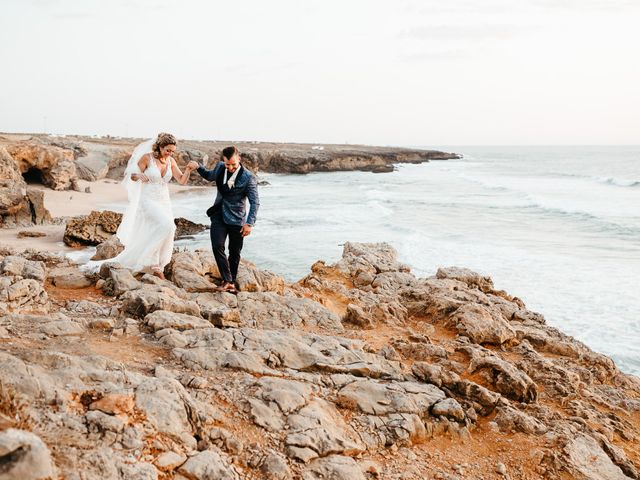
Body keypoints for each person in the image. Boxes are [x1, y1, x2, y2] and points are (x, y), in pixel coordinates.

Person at [89, 133, 195, 279]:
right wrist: (139, 176)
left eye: (172, 151)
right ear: (160, 146)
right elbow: (132, 175)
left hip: (164, 201)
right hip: (148, 199)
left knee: (169, 229)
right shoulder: (147, 158)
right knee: (166, 226)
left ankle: (157, 264)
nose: (170, 153)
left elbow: (182, 181)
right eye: (167, 150)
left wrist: (188, 170)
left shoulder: (171, 161)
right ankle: (152, 264)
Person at [188, 146, 259, 292]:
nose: (231, 167)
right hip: (218, 214)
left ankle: (231, 282)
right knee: (217, 246)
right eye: (228, 164)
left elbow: (255, 202)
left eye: (233, 164)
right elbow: (209, 176)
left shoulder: (248, 177)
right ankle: (227, 280)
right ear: (223, 161)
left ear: (239, 159)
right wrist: (198, 167)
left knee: (234, 252)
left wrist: (249, 223)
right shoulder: (220, 167)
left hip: (237, 219)